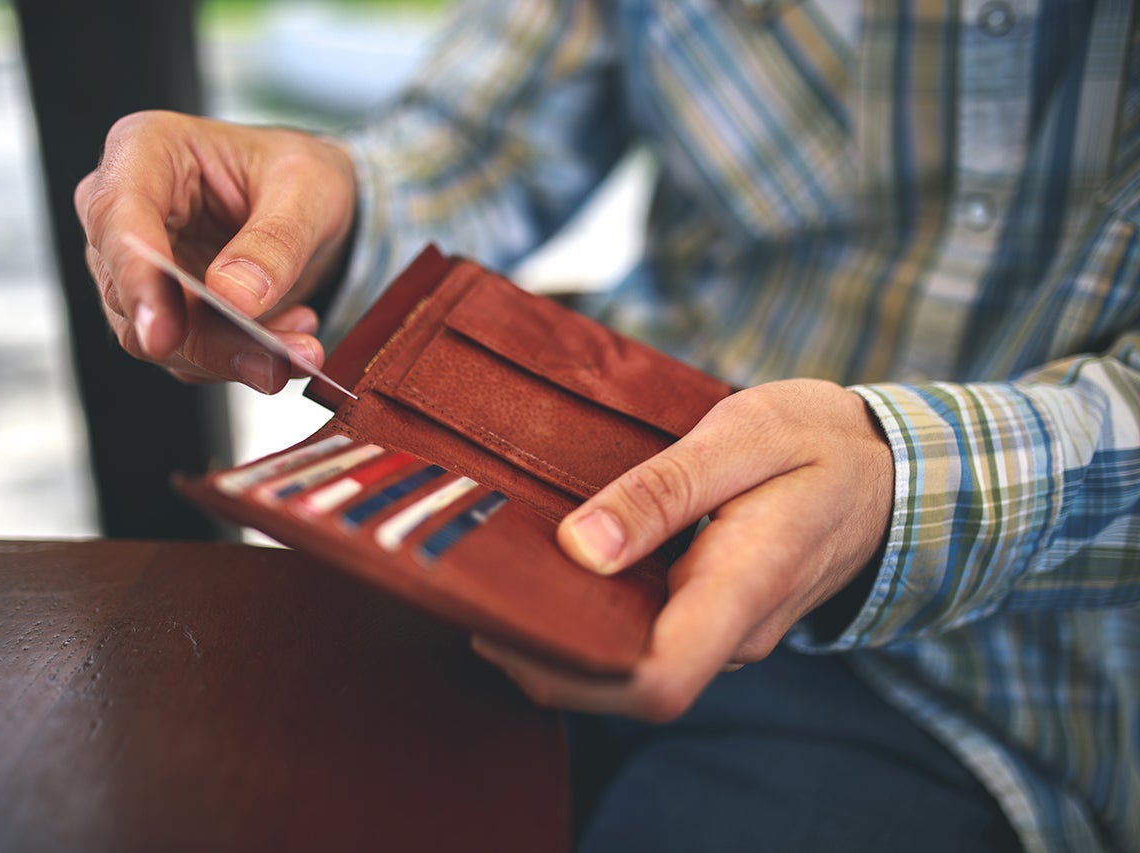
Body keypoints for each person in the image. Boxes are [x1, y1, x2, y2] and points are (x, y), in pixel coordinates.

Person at [75, 0, 1139, 849]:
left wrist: (901, 483)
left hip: (1011, 684)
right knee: (182, 778)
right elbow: (480, 136)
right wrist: (331, 203)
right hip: (574, 513)